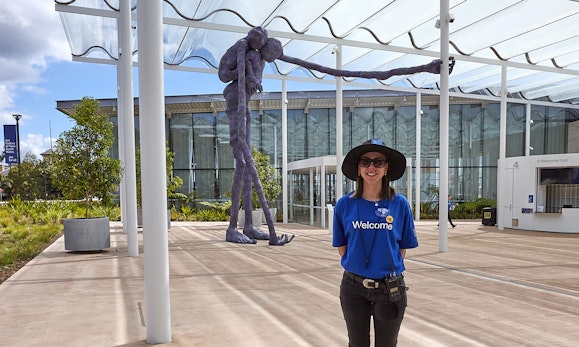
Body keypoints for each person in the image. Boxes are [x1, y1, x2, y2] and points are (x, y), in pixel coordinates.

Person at [333, 139, 419, 346]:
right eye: (365, 162)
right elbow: (342, 247)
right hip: (353, 289)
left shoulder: (400, 204)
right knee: (357, 343)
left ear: (386, 168)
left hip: (389, 289)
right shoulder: (345, 204)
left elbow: (402, 248)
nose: (372, 167)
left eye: (378, 162)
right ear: (359, 168)